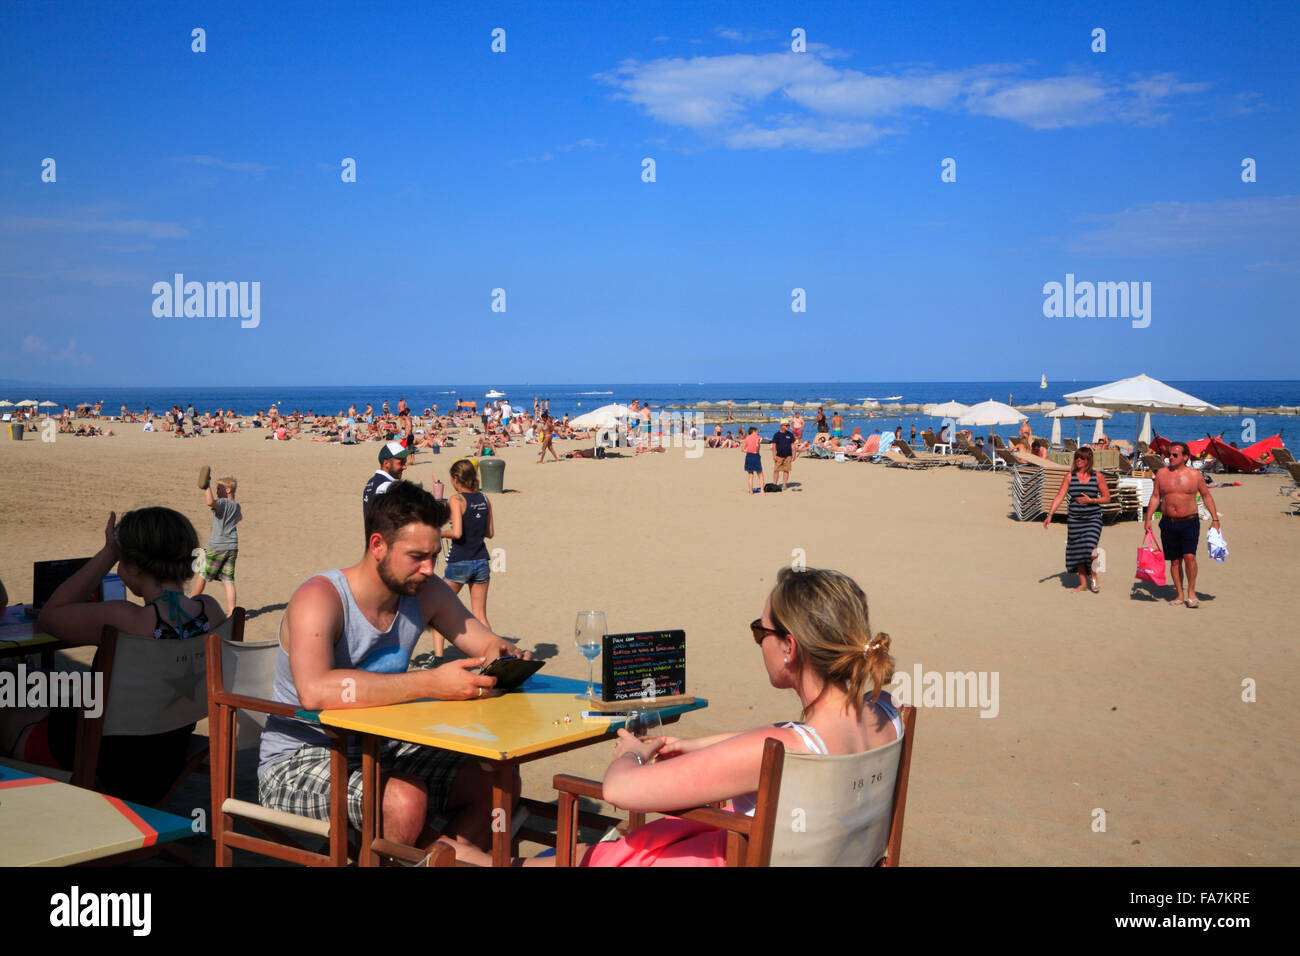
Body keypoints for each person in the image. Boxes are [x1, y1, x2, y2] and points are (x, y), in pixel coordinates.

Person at [460, 567, 902, 866]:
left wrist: (630, 752)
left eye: (760, 631)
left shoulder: (782, 750)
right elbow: (791, 739)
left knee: (637, 843)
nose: (758, 641)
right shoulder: (887, 715)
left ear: (789, 647)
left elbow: (620, 789)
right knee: (650, 840)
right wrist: (702, 745)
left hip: (738, 855)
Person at [257, 482, 530, 853]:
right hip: (301, 757)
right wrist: (429, 683)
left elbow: (482, 643)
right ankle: (444, 858)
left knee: (498, 782)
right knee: (404, 800)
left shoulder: (425, 590)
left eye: (434, 555)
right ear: (377, 546)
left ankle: (444, 858)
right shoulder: (320, 598)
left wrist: (505, 655)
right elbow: (315, 691)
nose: (428, 568)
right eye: (416, 556)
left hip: (385, 746)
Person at [0, 509, 225, 804]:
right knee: (33, 681)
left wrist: (108, 551)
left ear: (133, 567)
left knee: (9, 700)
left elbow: (49, 616)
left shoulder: (125, 619)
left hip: (99, 760)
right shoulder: (211, 611)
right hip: (166, 754)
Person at [1144, 441, 1220, 608]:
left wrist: (1215, 519)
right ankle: (1179, 594)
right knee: (1175, 561)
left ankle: (1191, 593)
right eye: (1169, 454)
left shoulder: (1195, 475)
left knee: (1189, 557)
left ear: (1185, 457)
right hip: (1168, 522)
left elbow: (1206, 496)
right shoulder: (1162, 474)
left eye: (1175, 455)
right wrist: (1148, 518)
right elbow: (1156, 496)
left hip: (1189, 522)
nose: (1170, 457)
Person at [441, 459, 494, 651]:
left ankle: (438, 656)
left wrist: (437, 532)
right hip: (481, 558)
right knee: (480, 615)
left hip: (460, 560)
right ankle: (492, 656)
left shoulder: (457, 499)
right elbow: (490, 533)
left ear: (456, 479)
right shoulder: (484, 498)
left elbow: (457, 533)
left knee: (440, 608)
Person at [1044, 447, 1111, 593]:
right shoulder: (1070, 476)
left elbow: (1107, 498)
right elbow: (1060, 496)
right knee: (1077, 550)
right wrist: (1050, 514)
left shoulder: (1097, 476)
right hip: (1075, 519)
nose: (1079, 460)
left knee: (1091, 547)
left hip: (1093, 518)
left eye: (1083, 458)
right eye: (1077, 458)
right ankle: (1082, 583)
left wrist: (1091, 500)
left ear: (1089, 460)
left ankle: (1093, 574)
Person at [192, 471, 241, 613]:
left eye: (219, 488)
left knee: (202, 574)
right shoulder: (237, 506)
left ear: (228, 490)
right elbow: (239, 518)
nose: (216, 491)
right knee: (228, 580)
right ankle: (232, 612)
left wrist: (206, 487)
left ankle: (192, 602)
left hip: (217, 546)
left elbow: (210, 502)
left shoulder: (223, 503)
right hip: (232, 546)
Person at [362, 440, 410, 517]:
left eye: (405, 462)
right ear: (386, 463)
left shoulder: (371, 482)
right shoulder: (387, 486)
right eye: (401, 463)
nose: (405, 467)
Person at [771, 420, 796, 490]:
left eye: (788, 425)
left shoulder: (790, 435)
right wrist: (774, 455)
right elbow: (774, 446)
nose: (788, 426)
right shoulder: (777, 435)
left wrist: (794, 454)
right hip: (778, 455)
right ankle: (775, 484)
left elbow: (793, 445)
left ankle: (784, 485)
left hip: (788, 455)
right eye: (786, 425)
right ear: (782, 426)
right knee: (776, 470)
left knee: (786, 470)